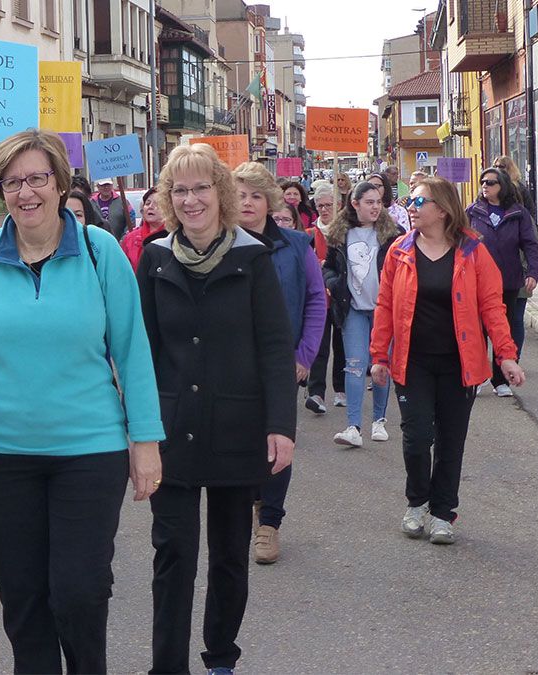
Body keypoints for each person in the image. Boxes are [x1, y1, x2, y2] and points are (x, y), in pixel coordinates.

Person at [0, 129, 163, 674]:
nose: (26, 192)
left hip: (89, 451)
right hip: (3, 457)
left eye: (38, 178)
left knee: (80, 592)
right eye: (13, 182)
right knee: (23, 599)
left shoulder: (98, 251)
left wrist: (146, 441)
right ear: (0, 193)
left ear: (60, 184)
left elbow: (132, 349)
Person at [137, 144, 297, 673]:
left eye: (200, 187)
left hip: (237, 426)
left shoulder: (253, 259)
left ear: (221, 193)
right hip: (172, 429)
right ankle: (168, 666)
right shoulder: (155, 258)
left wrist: (280, 425)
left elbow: (275, 347)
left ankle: (221, 658)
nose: (190, 200)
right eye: (179, 190)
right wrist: (139, 429)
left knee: (229, 557)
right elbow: (144, 348)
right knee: (173, 558)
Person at [371, 177, 525, 544]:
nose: (411, 205)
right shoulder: (399, 251)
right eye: (409, 200)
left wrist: (506, 355)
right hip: (413, 362)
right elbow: (385, 306)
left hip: (460, 364)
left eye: (418, 201)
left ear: (441, 209)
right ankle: (416, 503)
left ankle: (442, 513)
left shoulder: (473, 251)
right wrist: (379, 355)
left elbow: (492, 305)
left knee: (450, 441)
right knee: (416, 437)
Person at [235, 163, 325, 566]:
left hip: (281, 363)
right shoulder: (217, 244)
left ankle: (269, 522)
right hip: (232, 363)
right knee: (242, 442)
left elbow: (316, 300)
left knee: (278, 443)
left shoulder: (295, 245)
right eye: (239, 195)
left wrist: (304, 355)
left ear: (270, 201)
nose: (247, 203)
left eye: (256, 195)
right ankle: (253, 503)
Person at [322, 181, 401, 448]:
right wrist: (333, 283)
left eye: (378, 201)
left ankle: (378, 420)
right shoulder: (339, 234)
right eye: (369, 202)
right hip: (353, 309)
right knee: (355, 365)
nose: (375, 207)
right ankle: (353, 426)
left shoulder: (393, 234)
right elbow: (329, 268)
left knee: (380, 366)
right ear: (354, 204)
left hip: (384, 312)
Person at [467, 167, 538, 397]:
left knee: (504, 329)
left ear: (502, 186)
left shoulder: (517, 213)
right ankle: (479, 377)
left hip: (508, 279)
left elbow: (530, 244)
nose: (485, 186)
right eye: (483, 182)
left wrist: (533, 272)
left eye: (490, 182)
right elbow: (461, 243)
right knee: (478, 330)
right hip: (477, 282)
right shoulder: (473, 211)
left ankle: (501, 380)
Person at [306, 184, 346, 412]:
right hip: (319, 299)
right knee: (319, 348)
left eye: (328, 205)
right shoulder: (310, 234)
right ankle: (316, 394)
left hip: (339, 297)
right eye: (319, 205)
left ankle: (340, 390)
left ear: (338, 205)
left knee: (341, 346)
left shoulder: (345, 232)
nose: (324, 210)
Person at [120, 187, 166, 271]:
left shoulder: (175, 237)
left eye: (157, 204)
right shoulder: (130, 238)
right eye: (147, 203)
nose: (150, 207)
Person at [492, 155, 536, 219]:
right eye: (495, 166)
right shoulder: (490, 186)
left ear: (509, 169)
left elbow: (530, 211)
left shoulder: (519, 189)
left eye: (501, 167)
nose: (497, 169)